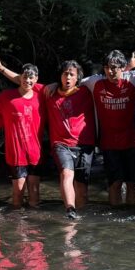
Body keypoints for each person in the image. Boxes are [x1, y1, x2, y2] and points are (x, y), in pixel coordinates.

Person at [79, 50, 135, 206]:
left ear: (123, 67)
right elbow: (72, 81)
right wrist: (54, 85)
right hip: (108, 144)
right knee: (115, 184)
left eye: (114, 68)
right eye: (107, 67)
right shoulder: (95, 82)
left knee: (132, 184)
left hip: (133, 142)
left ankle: (131, 218)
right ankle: (116, 222)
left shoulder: (133, 79)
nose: (110, 71)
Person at [0, 57, 45, 208]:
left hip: (36, 152)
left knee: (35, 194)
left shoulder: (42, 95)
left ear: (36, 79)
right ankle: (18, 228)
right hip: (16, 154)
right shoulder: (7, 97)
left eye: (31, 77)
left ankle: (35, 226)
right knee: (18, 194)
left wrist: (2, 69)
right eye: (24, 77)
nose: (27, 81)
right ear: (20, 77)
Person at [42, 61, 96, 218]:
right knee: (66, 174)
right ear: (60, 76)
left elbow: (111, 78)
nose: (68, 77)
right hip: (61, 144)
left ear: (78, 77)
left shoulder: (87, 91)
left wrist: (130, 66)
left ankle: (80, 220)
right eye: (65, 73)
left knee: (82, 190)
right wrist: (2, 69)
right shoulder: (49, 93)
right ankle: (70, 210)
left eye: (72, 74)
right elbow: (25, 81)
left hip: (85, 144)